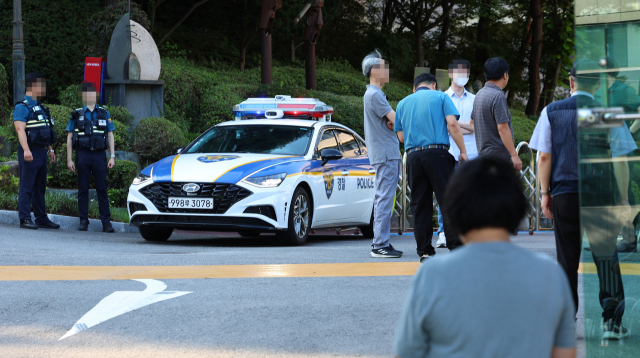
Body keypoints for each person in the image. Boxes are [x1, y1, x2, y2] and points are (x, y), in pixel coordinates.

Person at [393, 156, 576, 358]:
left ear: (454, 211)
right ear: (517, 209)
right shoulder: (550, 274)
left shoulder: (432, 275)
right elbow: (565, 353)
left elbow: (406, 353)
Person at [394, 73, 467, 262]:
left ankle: (425, 250)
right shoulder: (441, 96)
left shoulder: (402, 103)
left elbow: (401, 138)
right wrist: (463, 150)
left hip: (413, 157)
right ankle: (455, 247)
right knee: (447, 200)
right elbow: (452, 124)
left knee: (420, 204)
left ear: (414, 88)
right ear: (434, 85)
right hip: (438, 154)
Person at [361, 50, 403, 258]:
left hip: (384, 153)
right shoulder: (375, 94)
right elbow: (396, 119)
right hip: (386, 153)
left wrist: (393, 121)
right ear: (375, 70)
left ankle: (382, 242)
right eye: (384, 67)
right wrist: (395, 121)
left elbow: (392, 120)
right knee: (385, 198)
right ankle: (379, 244)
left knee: (384, 197)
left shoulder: (372, 94)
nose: (387, 71)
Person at [435, 59, 478, 248]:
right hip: (449, 152)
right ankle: (444, 232)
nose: (463, 75)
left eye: (466, 71)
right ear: (450, 74)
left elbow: (473, 127)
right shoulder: (442, 97)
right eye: (459, 71)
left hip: (472, 153)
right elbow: (464, 127)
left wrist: (452, 123)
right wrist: (463, 126)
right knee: (446, 194)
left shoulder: (475, 99)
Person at [66, 82, 116, 233]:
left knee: (102, 188)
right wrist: (69, 159)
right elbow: (69, 137)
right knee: (83, 189)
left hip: (99, 155)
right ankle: (83, 221)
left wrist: (112, 156)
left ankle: (106, 223)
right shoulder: (76, 114)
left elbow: (110, 135)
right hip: (83, 155)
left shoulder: (104, 113)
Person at [12, 72, 60, 230]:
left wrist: (50, 149)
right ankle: (25, 218)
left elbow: (45, 131)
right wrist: (26, 150)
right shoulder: (22, 107)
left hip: (41, 151)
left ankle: (41, 218)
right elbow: (20, 130)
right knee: (27, 186)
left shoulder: (41, 108)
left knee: (40, 187)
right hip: (30, 150)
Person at [472, 57, 521, 171]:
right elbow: (503, 128)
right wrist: (514, 155)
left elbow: (471, 122)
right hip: (499, 158)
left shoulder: (479, 94)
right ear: (505, 75)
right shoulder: (498, 96)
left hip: (483, 156)